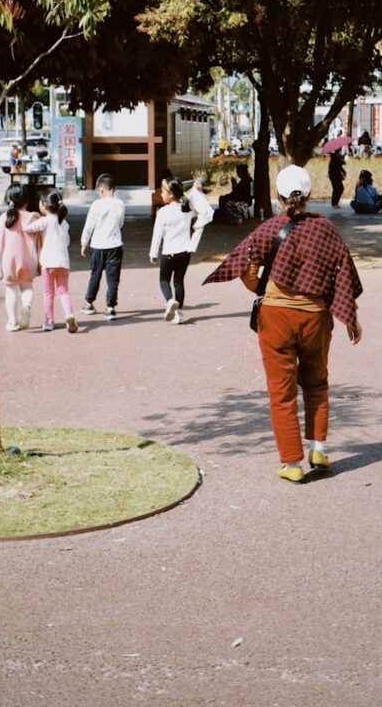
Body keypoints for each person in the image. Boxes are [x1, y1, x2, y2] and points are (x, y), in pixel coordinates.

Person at [204, 165, 363, 484]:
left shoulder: (269, 228)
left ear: (278, 196)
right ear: (309, 195)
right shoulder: (326, 229)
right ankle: (318, 447)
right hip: (316, 317)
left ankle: (292, 462)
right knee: (316, 382)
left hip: (276, 317)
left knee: (282, 390)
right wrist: (352, 316)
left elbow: (246, 268)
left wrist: (262, 288)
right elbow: (343, 273)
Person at [149, 176, 209, 324]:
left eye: (163, 191)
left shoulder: (163, 212)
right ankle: (179, 312)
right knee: (179, 281)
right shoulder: (187, 210)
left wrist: (153, 253)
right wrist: (197, 191)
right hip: (185, 252)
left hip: (168, 252)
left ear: (170, 194)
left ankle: (170, 301)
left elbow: (157, 234)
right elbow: (200, 208)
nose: (161, 194)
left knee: (164, 280)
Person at [0, 184, 40, 332]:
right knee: (27, 286)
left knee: (10, 290)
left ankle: (13, 322)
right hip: (28, 260)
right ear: (27, 201)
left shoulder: (3, 219)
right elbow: (39, 241)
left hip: (7, 262)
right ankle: (26, 306)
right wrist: (40, 262)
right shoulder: (33, 218)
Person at [24, 190, 78, 332]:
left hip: (48, 264)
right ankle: (69, 315)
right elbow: (66, 242)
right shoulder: (64, 223)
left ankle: (49, 321)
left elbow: (27, 229)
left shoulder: (45, 221)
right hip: (63, 263)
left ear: (44, 205)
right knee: (64, 291)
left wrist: (32, 216)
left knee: (48, 294)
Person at [80, 173, 125, 320]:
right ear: (114, 189)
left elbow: (89, 225)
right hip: (114, 244)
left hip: (98, 244)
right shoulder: (120, 204)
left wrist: (84, 242)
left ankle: (88, 303)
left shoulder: (96, 205)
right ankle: (110, 308)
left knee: (95, 274)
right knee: (113, 278)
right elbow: (120, 223)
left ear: (101, 190)